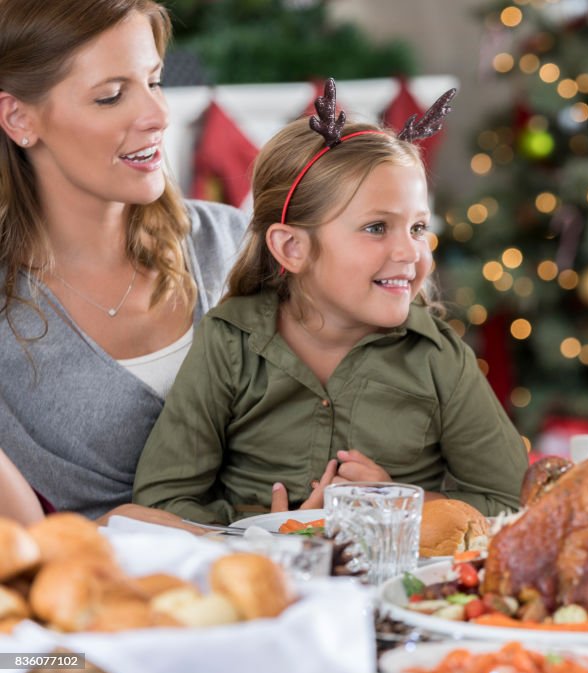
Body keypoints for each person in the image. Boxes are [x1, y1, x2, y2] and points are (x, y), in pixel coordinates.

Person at [133, 81, 527, 525]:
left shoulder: (438, 358)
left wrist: (397, 505)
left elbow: (511, 503)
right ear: (292, 248)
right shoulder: (230, 343)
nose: (410, 253)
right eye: (377, 228)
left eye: (418, 228)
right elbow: (160, 502)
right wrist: (263, 531)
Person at [0, 0, 248, 519]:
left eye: (154, 82)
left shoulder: (231, 243)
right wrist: (117, 534)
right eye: (111, 97)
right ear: (19, 117)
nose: (157, 115)